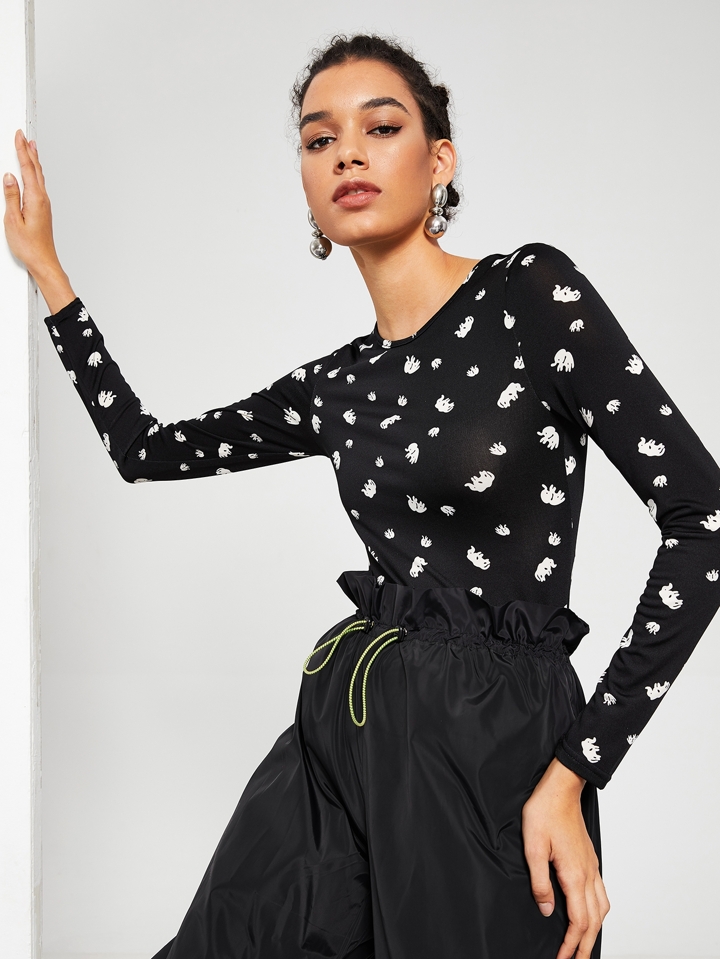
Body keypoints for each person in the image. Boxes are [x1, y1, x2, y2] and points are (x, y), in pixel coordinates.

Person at [4, 32, 720, 959]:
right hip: (344, 724)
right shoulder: (337, 386)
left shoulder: (530, 297)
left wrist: (577, 770)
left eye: (381, 128)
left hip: (494, 746)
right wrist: (51, 277)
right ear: (306, 183)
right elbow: (145, 451)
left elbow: (704, 520)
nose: (347, 153)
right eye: (319, 139)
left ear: (440, 160)